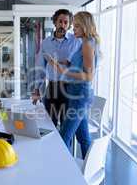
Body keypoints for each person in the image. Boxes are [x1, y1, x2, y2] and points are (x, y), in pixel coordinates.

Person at [48, 11, 100, 159]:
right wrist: (65, 63)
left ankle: (62, 175)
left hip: (79, 95)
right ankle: (89, 170)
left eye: (76, 26)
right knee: (83, 138)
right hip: (76, 93)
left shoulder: (88, 44)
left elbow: (89, 76)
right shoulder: (84, 42)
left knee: (64, 136)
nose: (73, 29)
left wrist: (63, 71)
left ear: (85, 26)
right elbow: (80, 65)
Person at [32, 9, 82, 127]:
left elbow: (85, 62)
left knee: (66, 126)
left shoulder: (76, 42)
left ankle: (65, 146)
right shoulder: (45, 43)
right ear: (55, 22)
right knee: (49, 124)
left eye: (66, 22)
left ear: (69, 25)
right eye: (60, 21)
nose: (63, 25)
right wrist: (36, 89)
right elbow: (40, 68)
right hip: (52, 88)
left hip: (69, 89)